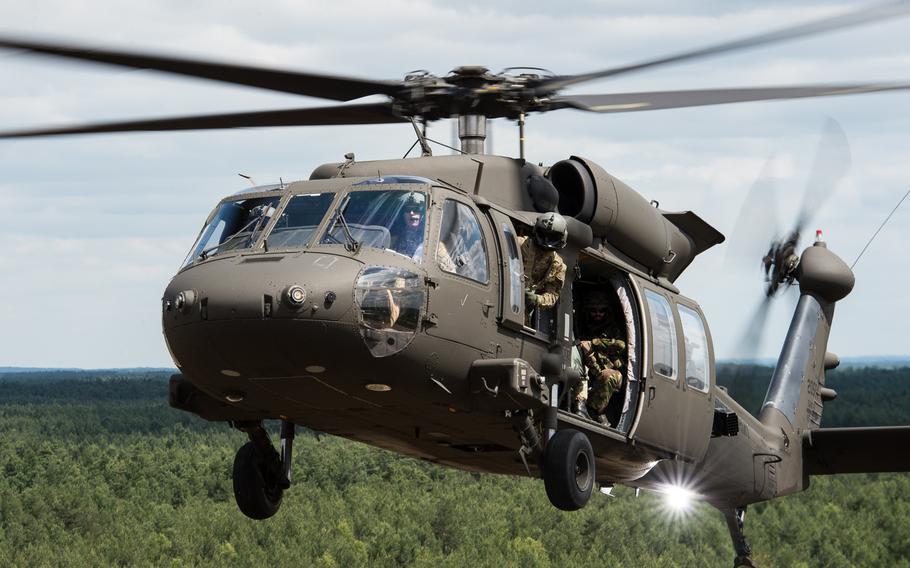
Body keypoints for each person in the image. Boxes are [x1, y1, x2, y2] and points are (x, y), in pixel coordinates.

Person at [576, 290, 626, 423]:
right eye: (593, 310)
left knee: (607, 376)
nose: (598, 314)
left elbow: (621, 345)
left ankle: (595, 411)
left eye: (601, 310)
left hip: (615, 373)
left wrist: (595, 342)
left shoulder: (612, 329)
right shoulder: (583, 327)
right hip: (592, 370)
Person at [517, 212, 568, 321]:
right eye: (543, 234)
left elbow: (552, 295)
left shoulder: (558, 265)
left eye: (552, 237)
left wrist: (536, 299)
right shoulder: (519, 244)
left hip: (521, 310)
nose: (546, 240)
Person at [389, 193, 426, 260]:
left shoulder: (429, 237)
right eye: (408, 209)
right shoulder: (393, 237)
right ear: (402, 214)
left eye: (416, 209)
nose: (412, 213)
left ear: (422, 213)